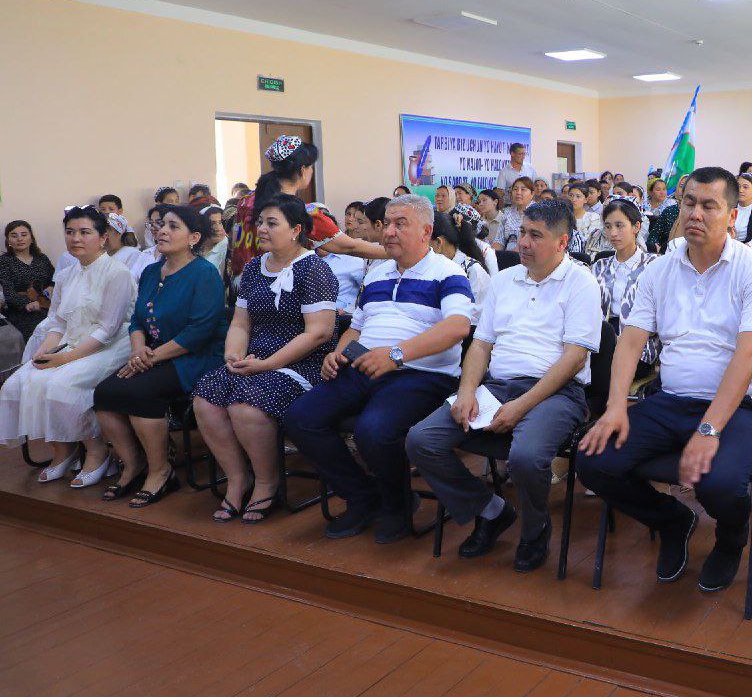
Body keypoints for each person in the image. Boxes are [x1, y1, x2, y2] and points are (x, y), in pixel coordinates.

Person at [579, 166, 752, 593]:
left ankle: (730, 540)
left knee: (721, 483)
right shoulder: (661, 269)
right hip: (670, 400)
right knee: (593, 460)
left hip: (738, 407)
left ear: (732, 215)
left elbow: (748, 356)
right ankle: (672, 519)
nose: (696, 213)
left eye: (710, 205)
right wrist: (615, 407)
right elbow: (630, 342)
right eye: (689, 203)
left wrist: (709, 429)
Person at [406, 200, 601, 571]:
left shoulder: (581, 283)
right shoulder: (503, 280)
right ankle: (492, 510)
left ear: (562, 243)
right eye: (523, 232)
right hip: (499, 386)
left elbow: (574, 359)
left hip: (556, 392)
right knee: (421, 440)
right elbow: (480, 344)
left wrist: (521, 406)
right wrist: (466, 392)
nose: (522, 243)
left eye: (535, 236)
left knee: (526, 458)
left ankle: (534, 529)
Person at [282, 195, 472, 543]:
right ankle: (362, 496)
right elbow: (357, 326)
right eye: (387, 223)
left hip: (422, 375)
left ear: (427, 231)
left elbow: (458, 327)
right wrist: (338, 353)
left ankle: (397, 506)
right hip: (365, 364)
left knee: (373, 429)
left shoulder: (448, 272)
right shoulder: (377, 273)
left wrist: (397, 354)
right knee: (300, 417)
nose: (390, 231)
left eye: (402, 224)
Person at [192, 195, 339, 523]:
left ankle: (266, 482)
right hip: (256, 358)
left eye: (272, 223)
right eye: (260, 222)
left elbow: (318, 333)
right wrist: (233, 354)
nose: (261, 228)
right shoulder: (255, 267)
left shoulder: (315, 270)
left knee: (245, 407)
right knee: (206, 398)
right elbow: (241, 322)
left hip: (301, 363)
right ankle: (237, 479)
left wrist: (269, 364)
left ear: (295, 230)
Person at [93, 205, 226, 507]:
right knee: (104, 393)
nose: (162, 231)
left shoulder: (204, 274)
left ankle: (161, 472)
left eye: (173, 226)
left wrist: (149, 358)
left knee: (141, 391)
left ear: (194, 237)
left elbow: (198, 333)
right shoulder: (153, 271)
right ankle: (133, 465)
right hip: (154, 354)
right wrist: (139, 349)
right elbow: (138, 319)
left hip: (197, 358)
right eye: (161, 225)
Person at [0, 207, 137, 487]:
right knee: (21, 382)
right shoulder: (65, 274)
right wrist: (46, 351)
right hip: (73, 342)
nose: (76, 238)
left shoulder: (117, 273)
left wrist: (64, 359)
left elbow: (108, 330)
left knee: (62, 384)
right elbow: (57, 321)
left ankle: (98, 452)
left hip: (112, 344)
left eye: (85, 232)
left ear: (103, 238)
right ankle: (64, 449)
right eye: (70, 232)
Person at [229, 135, 385, 280]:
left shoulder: (245, 200)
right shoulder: (302, 213)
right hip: (276, 291)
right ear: (303, 170)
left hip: (243, 287)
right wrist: (395, 252)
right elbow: (350, 247)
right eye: (311, 167)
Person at [591, 199, 661, 375]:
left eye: (619, 225)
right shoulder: (599, 266)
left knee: (600, 370)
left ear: (636, 226)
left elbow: (661, 315)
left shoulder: (655, 265)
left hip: (639, 347)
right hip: (600, 342)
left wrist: (622, 340)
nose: (613, 233)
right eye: (608, 226)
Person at [1, 220, 56, 342]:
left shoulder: (42, 258)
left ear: (31, 238)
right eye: (14, 236)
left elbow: (56, 279)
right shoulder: (4, 261)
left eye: (24, 235)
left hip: (47, 305)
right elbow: (8, 293)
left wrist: (52, 286)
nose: (19, 239)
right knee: (38, 332)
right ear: (8, 241)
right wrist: (27, 303)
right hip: (20, 311)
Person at [431, 210, 491, 314]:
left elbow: (477, 317)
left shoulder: (472, 271)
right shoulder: (424, 267)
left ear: (438, 243)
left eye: (423, 241)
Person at [497, 176, 535, 251]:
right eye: (515, 189)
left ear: (532, 194)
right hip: (508, 256)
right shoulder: (506, 213)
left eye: (523, 189)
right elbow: (499, 240)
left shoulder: (538, 212)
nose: (518, 192)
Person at [568, 183, 607, 256]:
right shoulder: (563, 218)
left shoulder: (593, 217)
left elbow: (590, 241)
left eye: (578, 196)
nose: (573, 199)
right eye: (571, 195)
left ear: (585, 199)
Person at [103, 212, 145, 277]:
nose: (103, 236)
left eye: (107, 231)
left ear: (119, 233)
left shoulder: (132, 254)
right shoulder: (100, 254)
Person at [200, 204, 230, 275]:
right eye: (212, 223)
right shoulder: (194, 247)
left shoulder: (228, 249)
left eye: (220, 223)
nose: (218, 228)